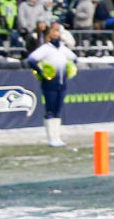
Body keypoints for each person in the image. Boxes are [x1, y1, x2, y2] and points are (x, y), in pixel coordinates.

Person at [27, 20, 77, 148]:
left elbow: (74, 58)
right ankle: (51, 137)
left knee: (58, 110)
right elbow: (31, 60)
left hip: (62, 83)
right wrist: (42, 73)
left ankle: (57, 136)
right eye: (54, 31)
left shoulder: (62, 48)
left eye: (58, 31)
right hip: (49, 83)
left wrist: (69, 70)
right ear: (49, 34)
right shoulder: (45, 49)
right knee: (50, 109)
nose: (56, 33)